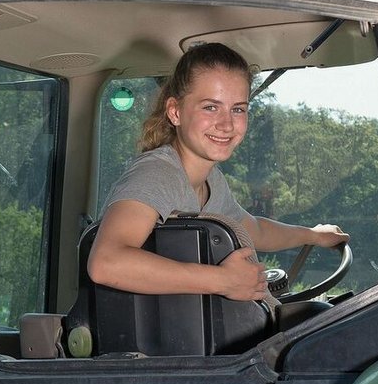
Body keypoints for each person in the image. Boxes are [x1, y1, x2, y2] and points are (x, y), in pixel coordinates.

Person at [87, 43, 348, 301]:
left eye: (238, 109)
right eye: (211, 107)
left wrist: (313, 235)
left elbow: (254, 231)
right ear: (175, 112)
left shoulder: (211, 179)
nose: (226, 124)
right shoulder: (157, 173)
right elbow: (106, 262)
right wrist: (224, 281)